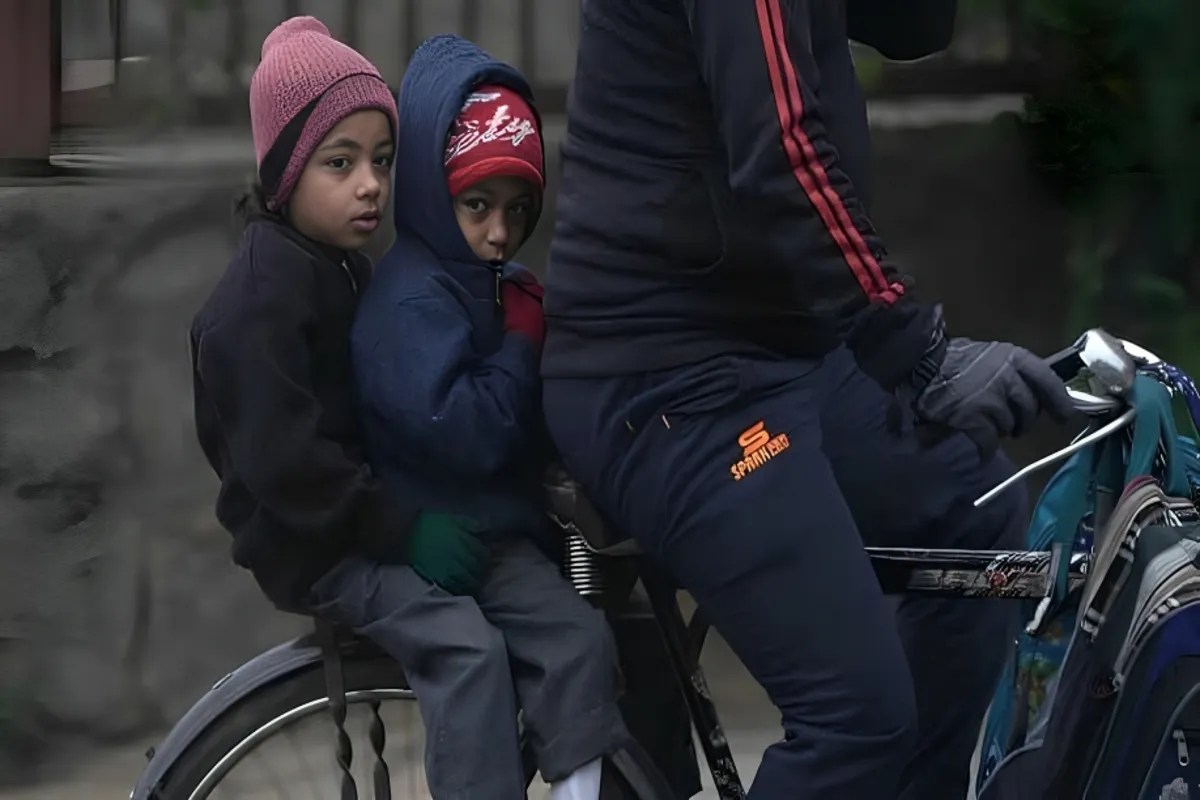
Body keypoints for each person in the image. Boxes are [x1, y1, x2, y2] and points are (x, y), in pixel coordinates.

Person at [539, 2, 1077, 799]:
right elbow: (782, 154)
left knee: (981, 521)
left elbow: (912, 27)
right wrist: (920, 355)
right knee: (857, 714)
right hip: (671, 377)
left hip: (776, 349)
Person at [343, 34, 629, 800]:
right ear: (436, 196)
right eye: (477, 207)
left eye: (518, 210)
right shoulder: (411, 299)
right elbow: (466, 429)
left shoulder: (494, 280)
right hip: (426, 539)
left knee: (579, 645)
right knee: (474, 668)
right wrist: (521, 343)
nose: (500, 233)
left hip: (493, 534)